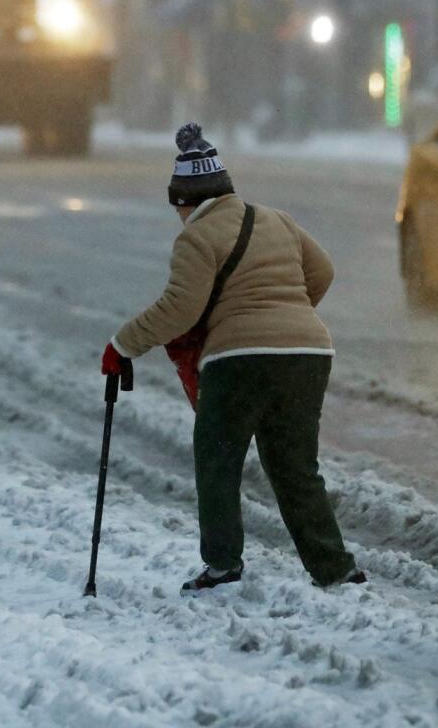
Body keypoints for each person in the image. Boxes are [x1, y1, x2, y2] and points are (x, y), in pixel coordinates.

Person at [101, 124, 365, 591]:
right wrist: (288, 315)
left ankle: (223, 564)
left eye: (178, 207)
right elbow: (322, 270)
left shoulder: (197, 236)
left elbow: (180, 308)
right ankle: (334, 568)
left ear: (185, 200)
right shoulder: (277, 219)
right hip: (309, 352)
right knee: (296, 468)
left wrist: (123, 345)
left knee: (218, 460)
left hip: (239, 358)